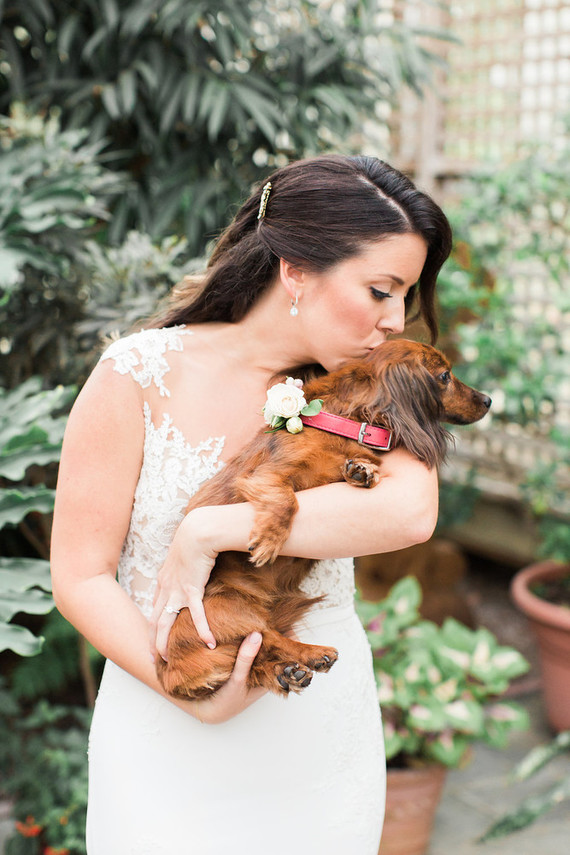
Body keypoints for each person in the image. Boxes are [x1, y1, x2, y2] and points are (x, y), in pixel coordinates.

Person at [50, 154, 452, 854]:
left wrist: (213, 526)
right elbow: (80, 575)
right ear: (295, 269)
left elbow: (410, 512)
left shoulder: (374, 388)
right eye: (381, 289)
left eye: (405, 296)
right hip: (164, 726)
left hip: (313, 727)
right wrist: (184, 689)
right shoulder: (137, 374)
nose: (395, 320)